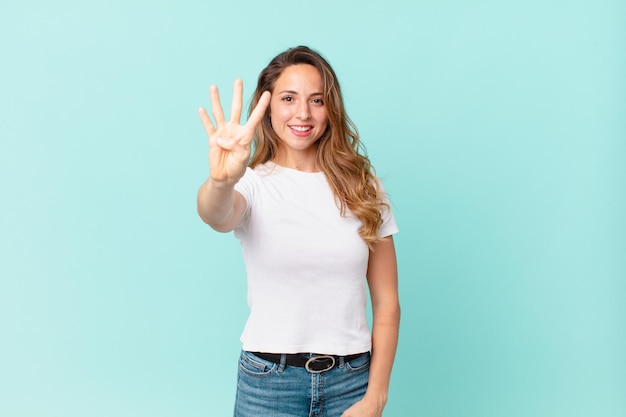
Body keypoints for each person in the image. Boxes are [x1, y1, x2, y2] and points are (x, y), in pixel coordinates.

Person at [197, 46, 400, 417]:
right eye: (288, 98)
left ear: (331, 108)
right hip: (268, 384)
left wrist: (376, 398)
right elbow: (215, 213)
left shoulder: (363, 186)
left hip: (351, 382)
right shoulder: (252, 185)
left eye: (317, 100)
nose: (303, 113)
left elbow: (387, 304)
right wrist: (220, 181)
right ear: (267, 107)